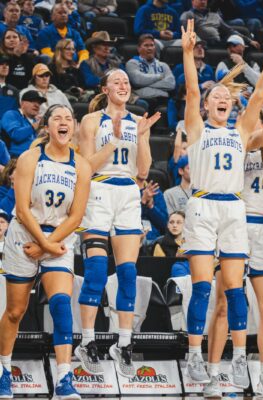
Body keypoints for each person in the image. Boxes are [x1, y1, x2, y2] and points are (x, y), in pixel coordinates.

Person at [179, 20, 263, 386]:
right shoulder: (198, 129)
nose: (223, 100)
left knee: (235, 287)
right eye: (216, 97)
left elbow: (258, 94)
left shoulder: (240, 131)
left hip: (234, 208)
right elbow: (190, 90)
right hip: (203, 206)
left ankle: (238, 359)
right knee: (204, 286)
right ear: (207, 106)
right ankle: (193, 355)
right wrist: (188, 53)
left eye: (227, 97)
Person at [0, 104, 91, 399]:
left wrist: (47, 247)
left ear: (74, 126)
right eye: (57, 118)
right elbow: (23, 210)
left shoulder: (82, 166)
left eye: (68, 118)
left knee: (62, 304)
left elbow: (76, 217)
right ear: (47, 126)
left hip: (59, 235)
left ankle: (65, 379)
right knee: (15, 311)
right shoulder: (29, 159)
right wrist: (44, 244)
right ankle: (3, 370)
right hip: (26, 232)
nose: (64, 122)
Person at [204, 111, 263, 398]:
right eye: (256, 118)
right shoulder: (236, 143)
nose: (261, 123)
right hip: (237, 225)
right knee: (223, 305)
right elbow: (254, 138)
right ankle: (213, 374)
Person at [74, 69, 160, 377]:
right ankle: (87, 341)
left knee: (128, 271)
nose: (123, 85)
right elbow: (85, 166)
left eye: (126, 81)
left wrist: (140, 136)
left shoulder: (139, 122)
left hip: (128, 192)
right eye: (117, 82)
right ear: (105, 89)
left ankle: (123, 343)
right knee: (96, 271)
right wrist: (115, 141)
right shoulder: (91, 121)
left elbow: (143, 170)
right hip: (98, 188)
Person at [126, 33, 176, 113]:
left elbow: (171, 84)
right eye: (146, 45)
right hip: (145, 99)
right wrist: (159, 77)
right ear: (139, 48)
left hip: (163, 100)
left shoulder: (163, 65)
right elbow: (138, 81)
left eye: (152, 45)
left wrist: (145, 85)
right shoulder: (132, 63)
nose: (150, 48)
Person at [180, 0, 260, 48]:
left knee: (238, 43)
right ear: (192, 1)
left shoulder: (214, 15)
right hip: (201, 44)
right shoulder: (188, 15)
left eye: (205, 0)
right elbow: (187, 33)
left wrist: (249, 41)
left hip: (218, 43)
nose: (203, 1)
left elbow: (230, 30)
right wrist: (198, 43)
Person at [1, 90, 46, 158]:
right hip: (14, 159)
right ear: (22, 103)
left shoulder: (36, 122)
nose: (37, 105)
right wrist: (33, 127)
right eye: (32, 101)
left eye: (39, 103)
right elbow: (16, 135)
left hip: (36, 159)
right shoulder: (11, 114)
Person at [0, 53, 18, 120]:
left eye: (7, 65)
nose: (5, 67)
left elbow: (15, 112)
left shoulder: (14, 90)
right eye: (1, 64)